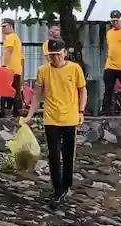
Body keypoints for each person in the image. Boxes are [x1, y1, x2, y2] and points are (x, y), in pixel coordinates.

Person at [27, 39, 88, 208]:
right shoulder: (43, 71)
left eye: (58, 55)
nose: (55, 58)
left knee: (68, 153)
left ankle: (67, 182)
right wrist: (30, 115)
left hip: (70, 118)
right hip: (51, 118)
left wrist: (81, 111)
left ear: (65, 53)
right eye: (51, 55)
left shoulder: (75, 68)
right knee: (53, 155)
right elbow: (37, 95)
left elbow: (82, 90)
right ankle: (57, 188)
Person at [0, 18, 25, 118]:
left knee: (4, 91)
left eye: (4, 26)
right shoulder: (17, 38)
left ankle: (4, 112)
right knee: (16, 92)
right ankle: (16, 112)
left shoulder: (10, 37)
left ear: (11, 26)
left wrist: (3, 66)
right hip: (16, 69)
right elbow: (22, 57)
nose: (3, 29)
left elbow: (8, 51)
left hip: (9, 69)